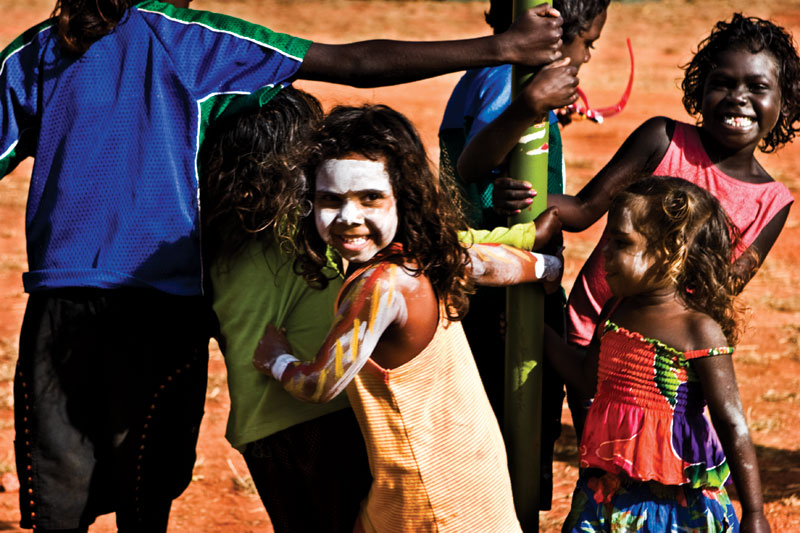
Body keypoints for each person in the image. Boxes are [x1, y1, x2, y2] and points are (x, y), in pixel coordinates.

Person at [0, 0, 569, 530]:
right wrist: (504, 49)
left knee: (62, 488)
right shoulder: (189, 39)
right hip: (171, 309)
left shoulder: (39, 53)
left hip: (63, 303)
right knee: (145, 496)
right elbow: (355, 62)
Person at [202, 90, 562, 532]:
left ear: (402, 198)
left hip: (423, 498)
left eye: (370, 198)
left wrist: (275, 358)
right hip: (472, 477)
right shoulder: (422, 256)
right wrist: (545, 267)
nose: (350, 217)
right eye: (331, 200)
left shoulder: (379, 284)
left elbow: (320, 384)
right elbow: (485, 261)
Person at [491, 13, 799, 352]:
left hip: (659, 359)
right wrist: (524, 196)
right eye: (723, 83)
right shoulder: (662, 139)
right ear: (700, 89)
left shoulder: (772, 203)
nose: (737, 97)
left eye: (757, 87)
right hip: (587, 331)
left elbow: (718, 294)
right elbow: (581, 210)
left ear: (785, 105)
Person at [438, 0, 610, 505]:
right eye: (589, 43)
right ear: (559, 38)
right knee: (512, 428)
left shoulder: (487, 75)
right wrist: (530, 105)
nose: (587, 57)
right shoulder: (508, 83)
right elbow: (472, 167)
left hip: (487, 274)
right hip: (504, 282)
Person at [544, 176, 769, 532]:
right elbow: (586, 378)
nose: (604, 253)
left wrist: (755, 512)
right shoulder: (615, 310)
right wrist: (536, 332)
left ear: (671, 250)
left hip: (677, 505)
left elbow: (731, 422)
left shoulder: (698, 330)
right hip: (607, 495)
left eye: (620, 242)